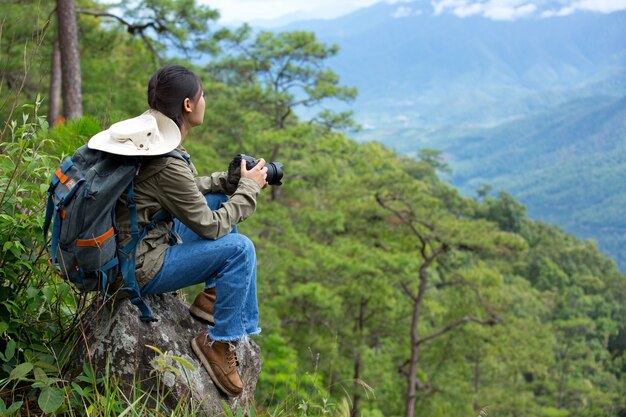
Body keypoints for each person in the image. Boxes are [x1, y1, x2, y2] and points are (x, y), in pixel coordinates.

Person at [87, 64, 267, 397]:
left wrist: (227, 184)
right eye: (202, 95)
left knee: (214, 198)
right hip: (137, 265)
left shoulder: (147, 141)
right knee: (240, 249)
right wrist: (248, 190)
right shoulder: (167, 159)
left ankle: (213, 300)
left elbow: (177, 191)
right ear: (188, 105)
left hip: (130, 241)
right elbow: (212, 228)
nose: (204, 101)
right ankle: (221, 341)